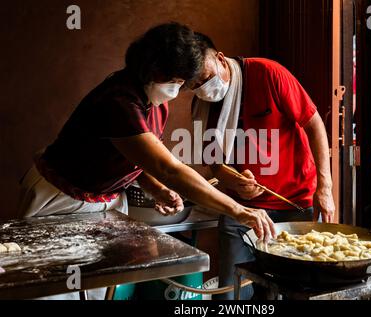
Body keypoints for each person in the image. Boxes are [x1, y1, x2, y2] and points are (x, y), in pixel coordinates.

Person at [17, 23, 275, 243]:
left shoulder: (156, 102)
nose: (179, 88)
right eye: (176, 80)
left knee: (98, 288)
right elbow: (168, 168)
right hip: (61, 198)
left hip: (106, 200)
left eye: (182, 82)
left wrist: (157, 190)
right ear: (153, 70)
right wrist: (239, 210)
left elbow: (139, 161)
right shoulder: (119, 101)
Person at [189, 32, 335, 300]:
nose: (203, 88)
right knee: (231, 292)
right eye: (195, 84)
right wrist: (234, 181)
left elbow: (314, 124)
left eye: (206, 78)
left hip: (294, 204)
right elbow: (214, 164)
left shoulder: (267, 74)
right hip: (240, 210)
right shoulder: (204, 104)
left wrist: (325, 186)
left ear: (221, 59)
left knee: (295, 289)